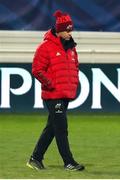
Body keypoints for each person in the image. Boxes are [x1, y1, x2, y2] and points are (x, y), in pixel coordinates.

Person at [26, 10, 85, 171]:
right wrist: (50, 84)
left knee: (52, 127)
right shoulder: (45, 47)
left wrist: (73, 84)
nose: (69, 33)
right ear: (58, 30)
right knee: (61, 128)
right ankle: (69, 162)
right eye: (67, 30)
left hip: (65, 94)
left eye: (71, 30)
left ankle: (35, 158)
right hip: (53, 95)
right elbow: (37, 69)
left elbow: (75, 67)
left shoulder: (71, 48)